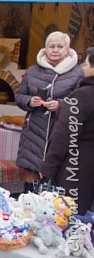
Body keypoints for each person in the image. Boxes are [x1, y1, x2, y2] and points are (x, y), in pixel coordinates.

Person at [15, 31, 84, 179]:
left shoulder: (78, 73)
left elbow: (80, 102)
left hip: (60, 130)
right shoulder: (33, 71)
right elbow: (19, 96)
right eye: (51, 46)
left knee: (55, 178)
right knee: (31, 175)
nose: (55, 50)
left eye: (60, 46)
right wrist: (29, 101)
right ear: (45, 49)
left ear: (67, 50)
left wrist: (60, 104)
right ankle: (29, 200)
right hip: (33, 132)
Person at [39, 47, 94, 214]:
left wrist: (48, 167)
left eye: (86, 63)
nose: (83, 68)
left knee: (69, 215)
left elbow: (63, 135)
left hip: (76, 166)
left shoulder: (82, 96)